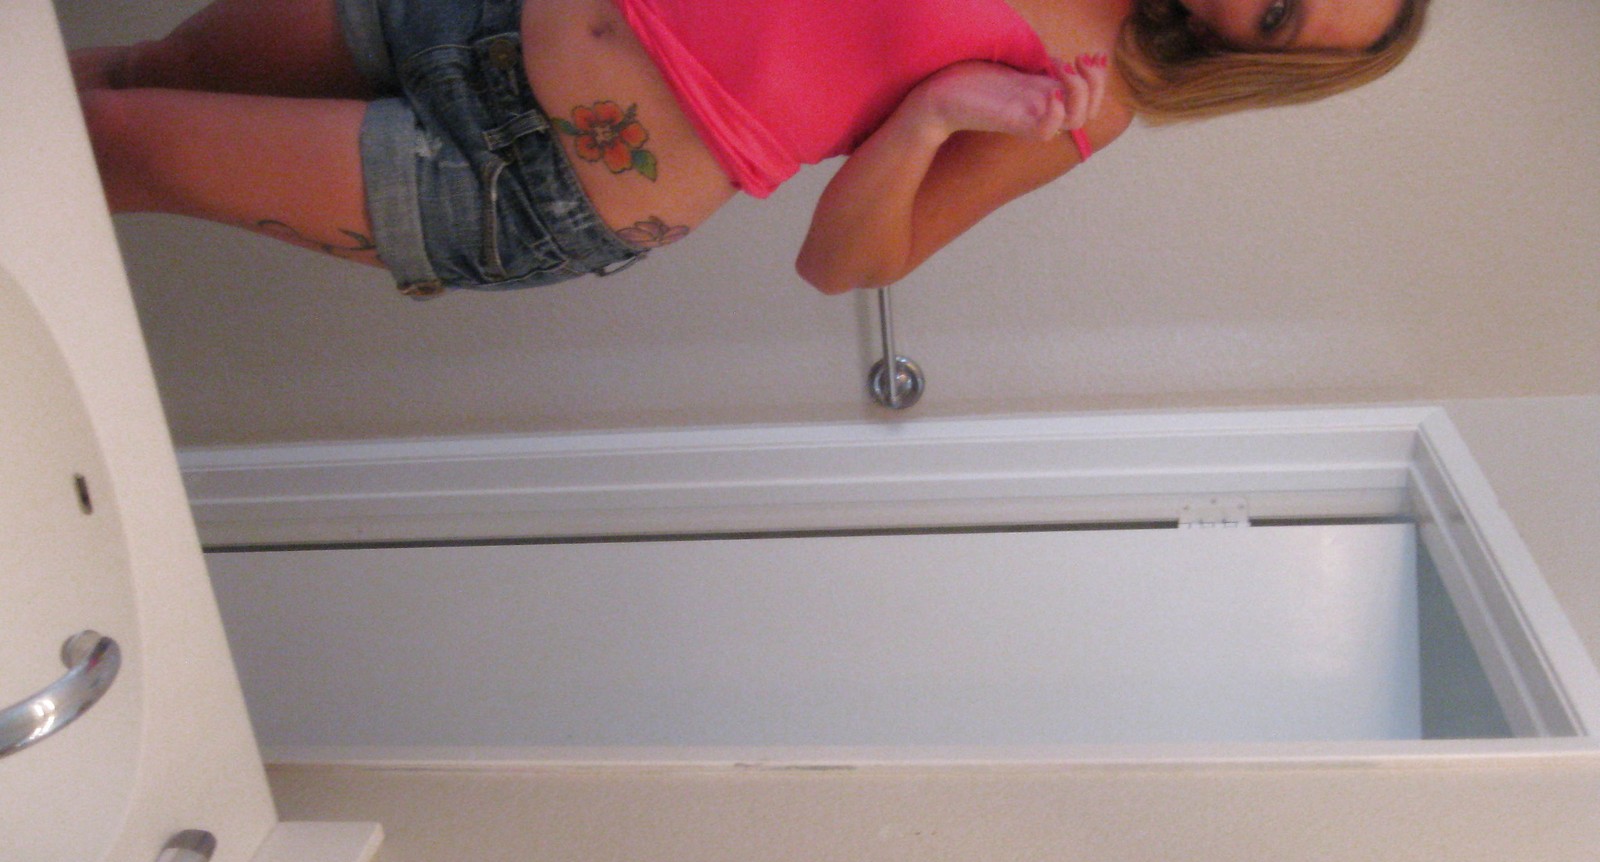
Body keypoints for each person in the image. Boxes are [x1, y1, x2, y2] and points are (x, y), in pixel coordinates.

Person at [71, 0, 1427, 298]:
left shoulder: (1087, 99)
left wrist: (935, 117)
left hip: (527, 184)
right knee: (134, 69)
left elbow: (845, 265)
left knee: (106, 142)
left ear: (1252, 47)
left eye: (1282, 14)